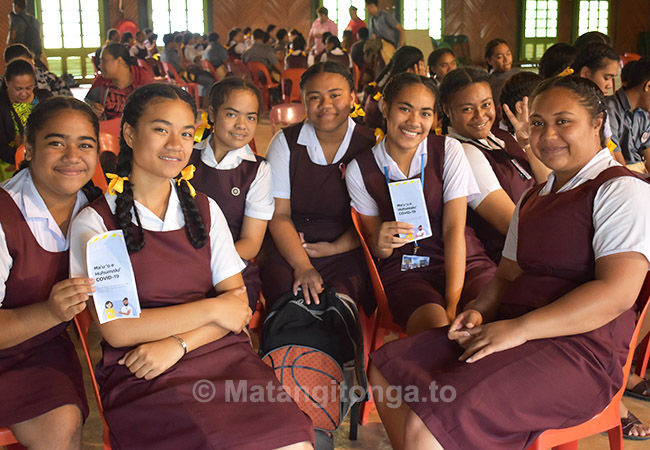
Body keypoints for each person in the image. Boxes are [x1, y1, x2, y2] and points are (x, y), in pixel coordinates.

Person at [368, 75, 650, 450]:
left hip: (580, 352)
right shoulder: (534, 199)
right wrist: (479, 310)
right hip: (514, 330)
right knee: (388, 370)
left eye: (563, 121)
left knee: (432, 423)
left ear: (597, 122)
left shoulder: (619, 190)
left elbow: (616, 293)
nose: (548, 135)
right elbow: (505, 277)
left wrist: (519, 329)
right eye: (537, 123)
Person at [69, 83, 314, 450]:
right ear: (131, 134)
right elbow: (119, 330)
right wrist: (215, 307)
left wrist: (179, 343)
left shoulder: (204, 209)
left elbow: (238, 311)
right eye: (161, 129)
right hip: (144, 368)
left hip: (218, 353)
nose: (175, 145)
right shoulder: (97, 223)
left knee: (291, 436)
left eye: (185, 133)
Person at [346, 73, 496, 334]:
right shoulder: (360, 170)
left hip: (465, 260)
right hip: (408, 271)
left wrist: (453, 305)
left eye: (425, 113)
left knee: (486, 318)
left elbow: (454, 231)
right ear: (386, 108)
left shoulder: (448, 151)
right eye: (405, 109)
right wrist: (380, 243)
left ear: (435, 118)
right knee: (435, 332)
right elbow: (377, 250)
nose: (414, 122)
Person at [0, 96, 101, 450]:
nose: (73, 156)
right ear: (28, 148)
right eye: (56, 142)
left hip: (41, 348)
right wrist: (50, 312)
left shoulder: (96, 210)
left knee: (66, 424)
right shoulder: (5, 216)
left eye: (85, 144)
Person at [259, 62, 375, 318]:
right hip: (291, 243)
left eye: (335, 95)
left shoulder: (371, 142)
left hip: (349, 245)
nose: (326, 104)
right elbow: (279, 216)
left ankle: (342, 357)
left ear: (353, 98)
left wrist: (334, 248)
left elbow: (373, 222)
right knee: (287, 297)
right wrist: (302, 264)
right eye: (315, 97)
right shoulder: (286, 142)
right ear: (304, 101)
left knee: (341, 304)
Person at [441, 67, 548, 263]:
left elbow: (552, 185)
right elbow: (510, 224)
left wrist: (529, 146)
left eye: (486, 104)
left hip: (542, 236)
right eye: (467, 109)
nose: (480, 116)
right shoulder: (463, 152)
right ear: (447, 110)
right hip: (517, 256)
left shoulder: (501, 136)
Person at [190, 78, 272, 313]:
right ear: (212, 115)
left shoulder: (257, 170)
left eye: (251, 117)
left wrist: (206, 265)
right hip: (181, 265)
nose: (241, 125)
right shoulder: (186, 160)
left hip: (233, 270)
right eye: (232, 114)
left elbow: (251, 243)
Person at [85, 43, 154, 121]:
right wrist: (92, 107)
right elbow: (87, 102)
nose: (99, 66)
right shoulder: (101, 82)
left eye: (103, 61)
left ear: (119, 61)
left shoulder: (144, 81)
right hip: (107, 131)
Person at [364, 46, 427, 130]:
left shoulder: (382, 87)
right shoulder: (397, 94)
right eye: (421, 67)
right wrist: (422, 85)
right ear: (410, 71)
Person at [605, 57, 650, 174]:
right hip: (621, 174)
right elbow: (614, 152)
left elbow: (647, 150)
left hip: (640, 174)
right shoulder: (610, 108)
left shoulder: (643, 114)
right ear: (648, 86)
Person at [0, 59, 41, 179]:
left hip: (41, 161)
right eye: (18, 89)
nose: (24, 94)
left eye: (28, 88)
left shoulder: (43, 99)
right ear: (7, 82)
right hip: (8, 165)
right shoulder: (2, 105)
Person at [4, 43, 72, 98]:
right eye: (18, 88)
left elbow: (69, 104)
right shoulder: (3, 85)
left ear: (32, 59)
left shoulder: (51, 80)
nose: (24, 94)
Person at [7, 0, 43, 64]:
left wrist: (9, 53)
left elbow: (12, 37)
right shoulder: (34, 20)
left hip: (19, 53)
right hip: (33, 53)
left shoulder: (15, 19)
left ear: (16, 6)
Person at [484, 38, 519, 106]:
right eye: (499, 57)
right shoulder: (490, 82)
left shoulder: (518, 74)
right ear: (489, 60)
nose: (506, 59)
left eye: (508, 54)